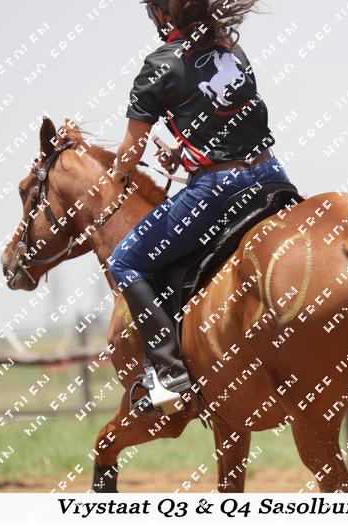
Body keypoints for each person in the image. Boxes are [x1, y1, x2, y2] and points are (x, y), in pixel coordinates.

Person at [107, 0, 292, 400]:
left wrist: (116, 174)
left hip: (218, 189)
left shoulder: (159, 64)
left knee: (123, 261)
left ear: (163, 13)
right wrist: (182, 152)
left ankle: (169, 375)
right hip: (272, 175)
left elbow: (131, 151)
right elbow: (232, 121)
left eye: (152, 11)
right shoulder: (232, 50)